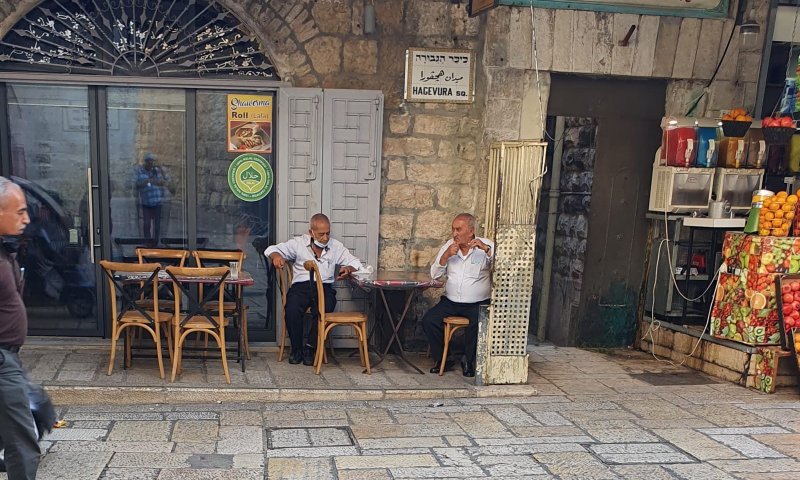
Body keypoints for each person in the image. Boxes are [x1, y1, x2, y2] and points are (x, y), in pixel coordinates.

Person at [265, 214, 361, 365]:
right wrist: (276, 256)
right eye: (321, 234)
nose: (325, 238)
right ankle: (296, 349)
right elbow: (272, 249)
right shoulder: (298, 243)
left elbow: (355, 262)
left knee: (324, 308)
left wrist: (348, 268)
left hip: (324, 286)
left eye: (327, 233)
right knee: (292, 309)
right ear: (311, 232)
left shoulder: (335, 246)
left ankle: (310, 348)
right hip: (301, 286)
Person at [0, 176, 40, 479]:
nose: (26, 219)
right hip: (2, 362)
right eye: (19, 212)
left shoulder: (7, 250)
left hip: (9, 358)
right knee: (24, 445)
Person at [422, 213, 493, 377]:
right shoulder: (448, 246)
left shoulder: (486, 246)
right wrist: (446, 256)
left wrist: (487, 250)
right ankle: (443, 359)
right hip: (451, 301)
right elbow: (434, 275)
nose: (454, 233)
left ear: (471, 231)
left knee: (478, 324)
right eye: (453, 229)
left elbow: (503, 268)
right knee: (429, 321)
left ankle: (468, 361)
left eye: (459, 229)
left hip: (478, 303)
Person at [134, 153, 169, 246]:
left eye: (152, 161)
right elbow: (135, 184)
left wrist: (160, 171)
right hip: (146, 202)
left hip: (157, 201)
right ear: (145, 162)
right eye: (148, 161)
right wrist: (145, 182)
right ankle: (147, 242)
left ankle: (155, 242)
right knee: (146, 224)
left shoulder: (157, 171)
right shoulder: (140, 171)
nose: (150, 163)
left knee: (157, 225)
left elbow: (165, 181)